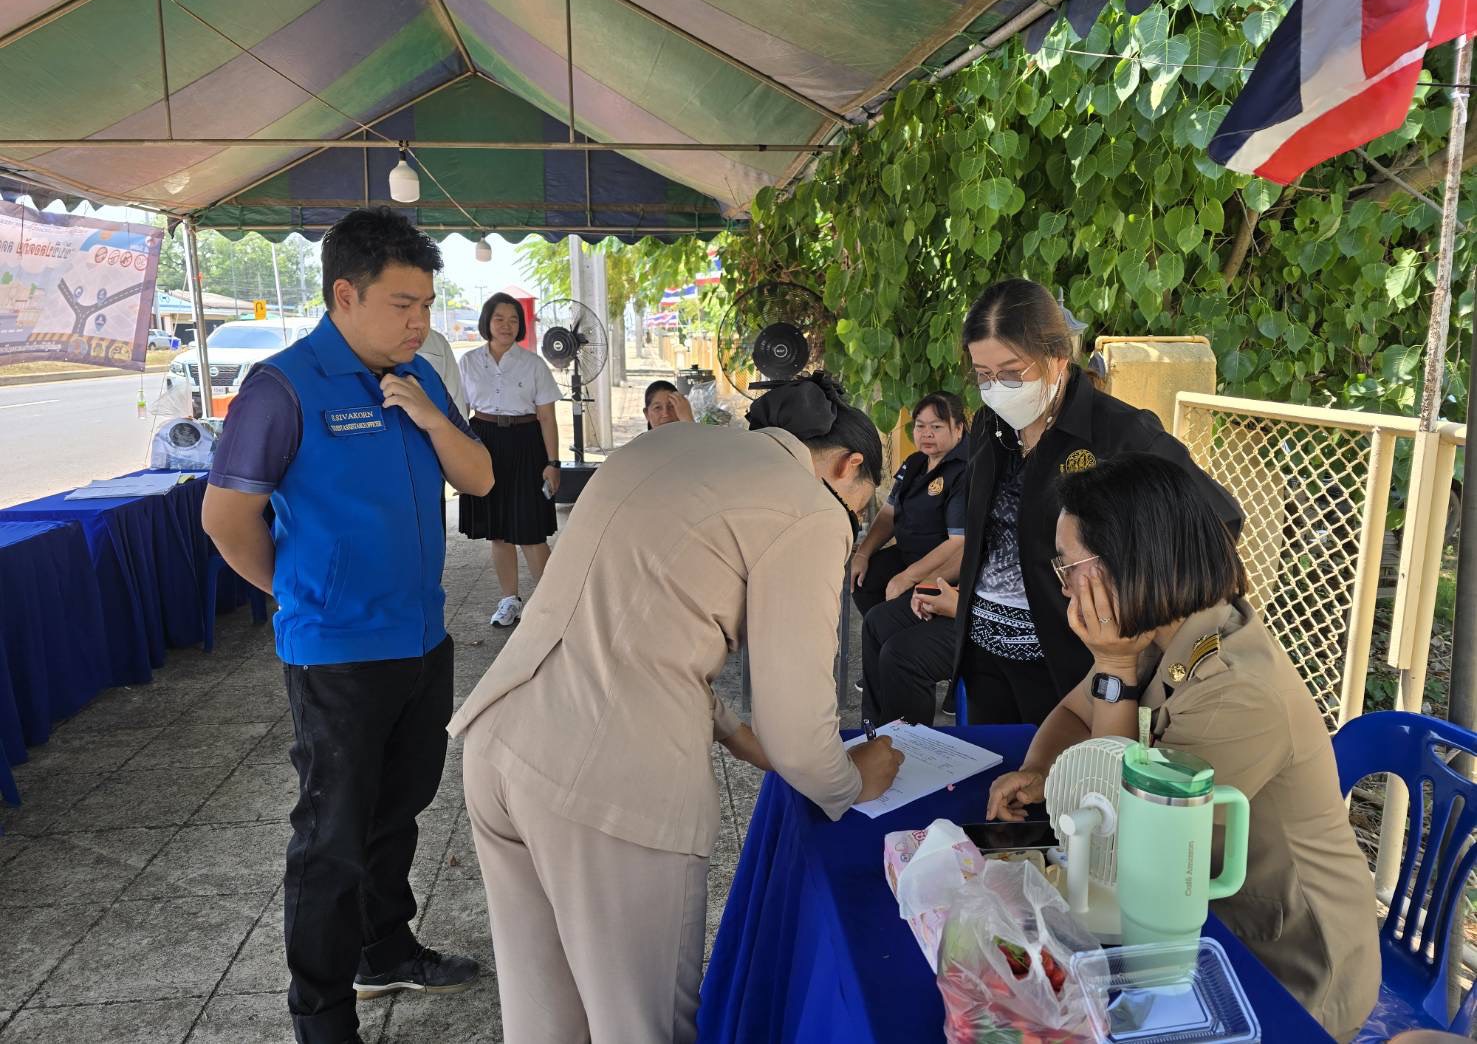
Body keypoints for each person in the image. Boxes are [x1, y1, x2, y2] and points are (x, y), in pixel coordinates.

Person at [450, 372, 904, 1044]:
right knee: (645, 1027)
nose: (851, 526)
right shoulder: (809, 506)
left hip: (502, 745)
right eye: (858, 510)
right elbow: (799, 731)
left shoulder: (667, 447)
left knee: (544, 1022)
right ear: (849, 465)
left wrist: (734, 732)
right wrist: (852, 778)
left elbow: (630, 623)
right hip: (608, 782)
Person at [201, 208, 494, 1044]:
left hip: (420, 639)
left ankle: (384, 948)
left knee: (398, 808)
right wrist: (300, 596)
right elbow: (227, 520)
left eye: (428, 303)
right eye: (402, 303)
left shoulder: (420, 375)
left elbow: (475, 478)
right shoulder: (283, 387)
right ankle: (320, 1012)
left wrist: (430, 415)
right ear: (344, 293)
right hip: (337, 653)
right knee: (330, 836)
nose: (419, 321)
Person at [986, 454, 1379, 1041]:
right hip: (1189, 922)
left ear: (1130, 563)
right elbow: (1076, 709)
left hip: (1285, 972)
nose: (1063, 585)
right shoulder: (1165, 623)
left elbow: (1120, 850)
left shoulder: (1234, 691)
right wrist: (1040, 766)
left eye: (1070, 567)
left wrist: (1114, 665)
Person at [921, 278, 1242, 726]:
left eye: (1013, 373)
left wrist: (1135, 612)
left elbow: (1217, 521)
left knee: (1068, 786)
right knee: (996, 784)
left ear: (1056, 358)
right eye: (984, 375)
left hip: (1071, 667)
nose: (997, 388)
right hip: (984, 655)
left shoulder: (1121, 434)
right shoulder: (990, 429)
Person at [854, 392, 970, 726]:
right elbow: (888, 514)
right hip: (909, 556)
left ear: (959, 430)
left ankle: (904, 677)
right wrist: (863, 553)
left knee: (884, 623)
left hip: (944, 569)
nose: (926, 433)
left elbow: (958, 543)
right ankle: (876, 715)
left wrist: (907, 578)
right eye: (920, 426)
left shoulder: (962, 471)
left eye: (937, 425)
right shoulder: (915, 463)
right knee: (864, 582)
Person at [457, 292, 561, 628]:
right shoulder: (470, 362)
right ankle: (509, 600)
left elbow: (547, 417)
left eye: (513, 320)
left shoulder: (533, 364)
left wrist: (553, 463)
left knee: (530, 530)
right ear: (487, 321)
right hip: (483, 443)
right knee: (498, 531)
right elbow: (461, 413)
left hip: (526, 443)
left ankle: (553, 604)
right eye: (499, 318)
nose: (506, 325)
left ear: (521, 326)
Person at [416, 325, 468, 417]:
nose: (419, 319)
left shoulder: (436, 341)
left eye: (426, 309)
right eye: (403, 309)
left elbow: (455, 398)